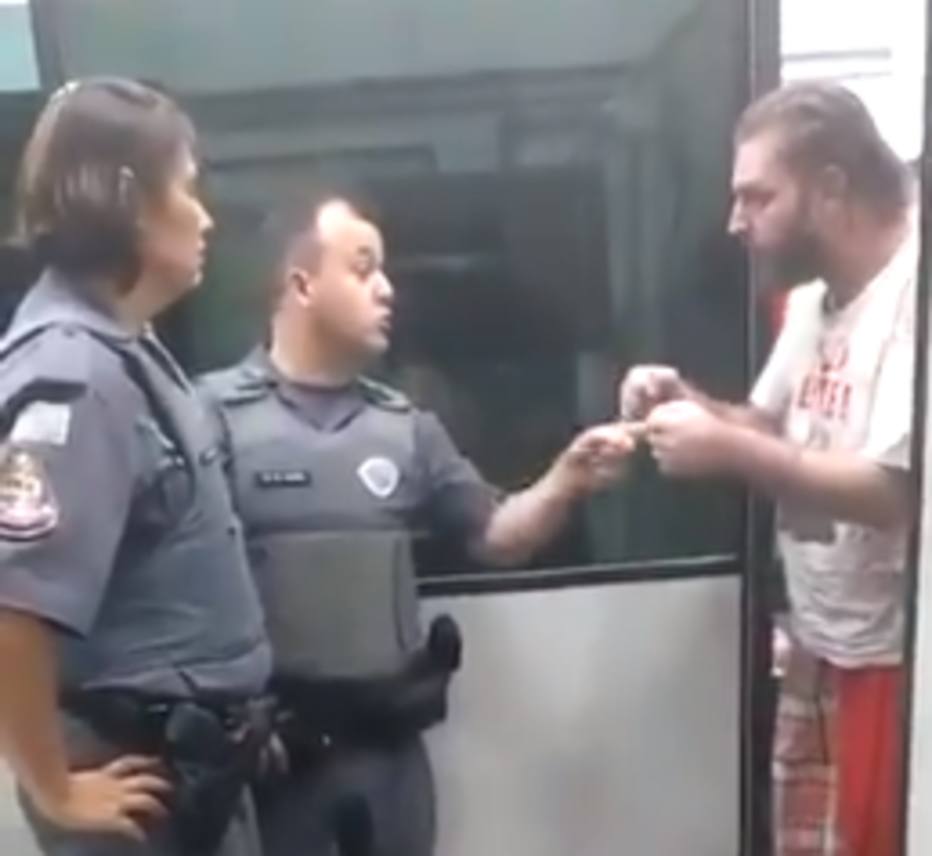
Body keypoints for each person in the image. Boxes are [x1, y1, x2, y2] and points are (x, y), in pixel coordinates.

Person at [198, 193, 637, 856]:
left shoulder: (404, 428)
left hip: (388, 758)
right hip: (275, 764)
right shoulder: (213, 417)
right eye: (363, 268)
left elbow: (497, 537)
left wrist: (566, 478)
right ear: (302, 285)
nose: (386, 288)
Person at [620, 81, 915, 856]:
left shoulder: (911, 297)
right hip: (820, 641)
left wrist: (730, 451)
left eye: (757, 197)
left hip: (890, 663)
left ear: (830, 189)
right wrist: (684, 401)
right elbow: (766, 423)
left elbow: (892, 491)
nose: (734, 222)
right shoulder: (818, 301)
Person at [0, 78, 273, 856]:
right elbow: (13, 606)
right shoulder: (76, 376)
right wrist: (54, 787)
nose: (205, 217)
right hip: (137, 786)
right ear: (126, 200)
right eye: (186, 188)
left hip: (195, 768)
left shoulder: (130, 348)